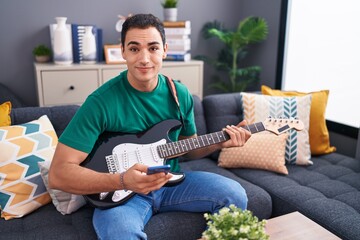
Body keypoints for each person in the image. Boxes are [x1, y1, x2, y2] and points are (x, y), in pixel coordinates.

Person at [48, 13, 251, 239]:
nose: (144, 59)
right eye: (134, 49)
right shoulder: (100, 102)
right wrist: (123, 180)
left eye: (153, 48)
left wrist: (221, 142)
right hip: (121, 194)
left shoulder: (179, 94)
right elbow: (58, 174)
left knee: (235, 195)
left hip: (170, 183)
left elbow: (188, 149)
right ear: (123, 51)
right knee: (120, 233)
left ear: (164, 50)